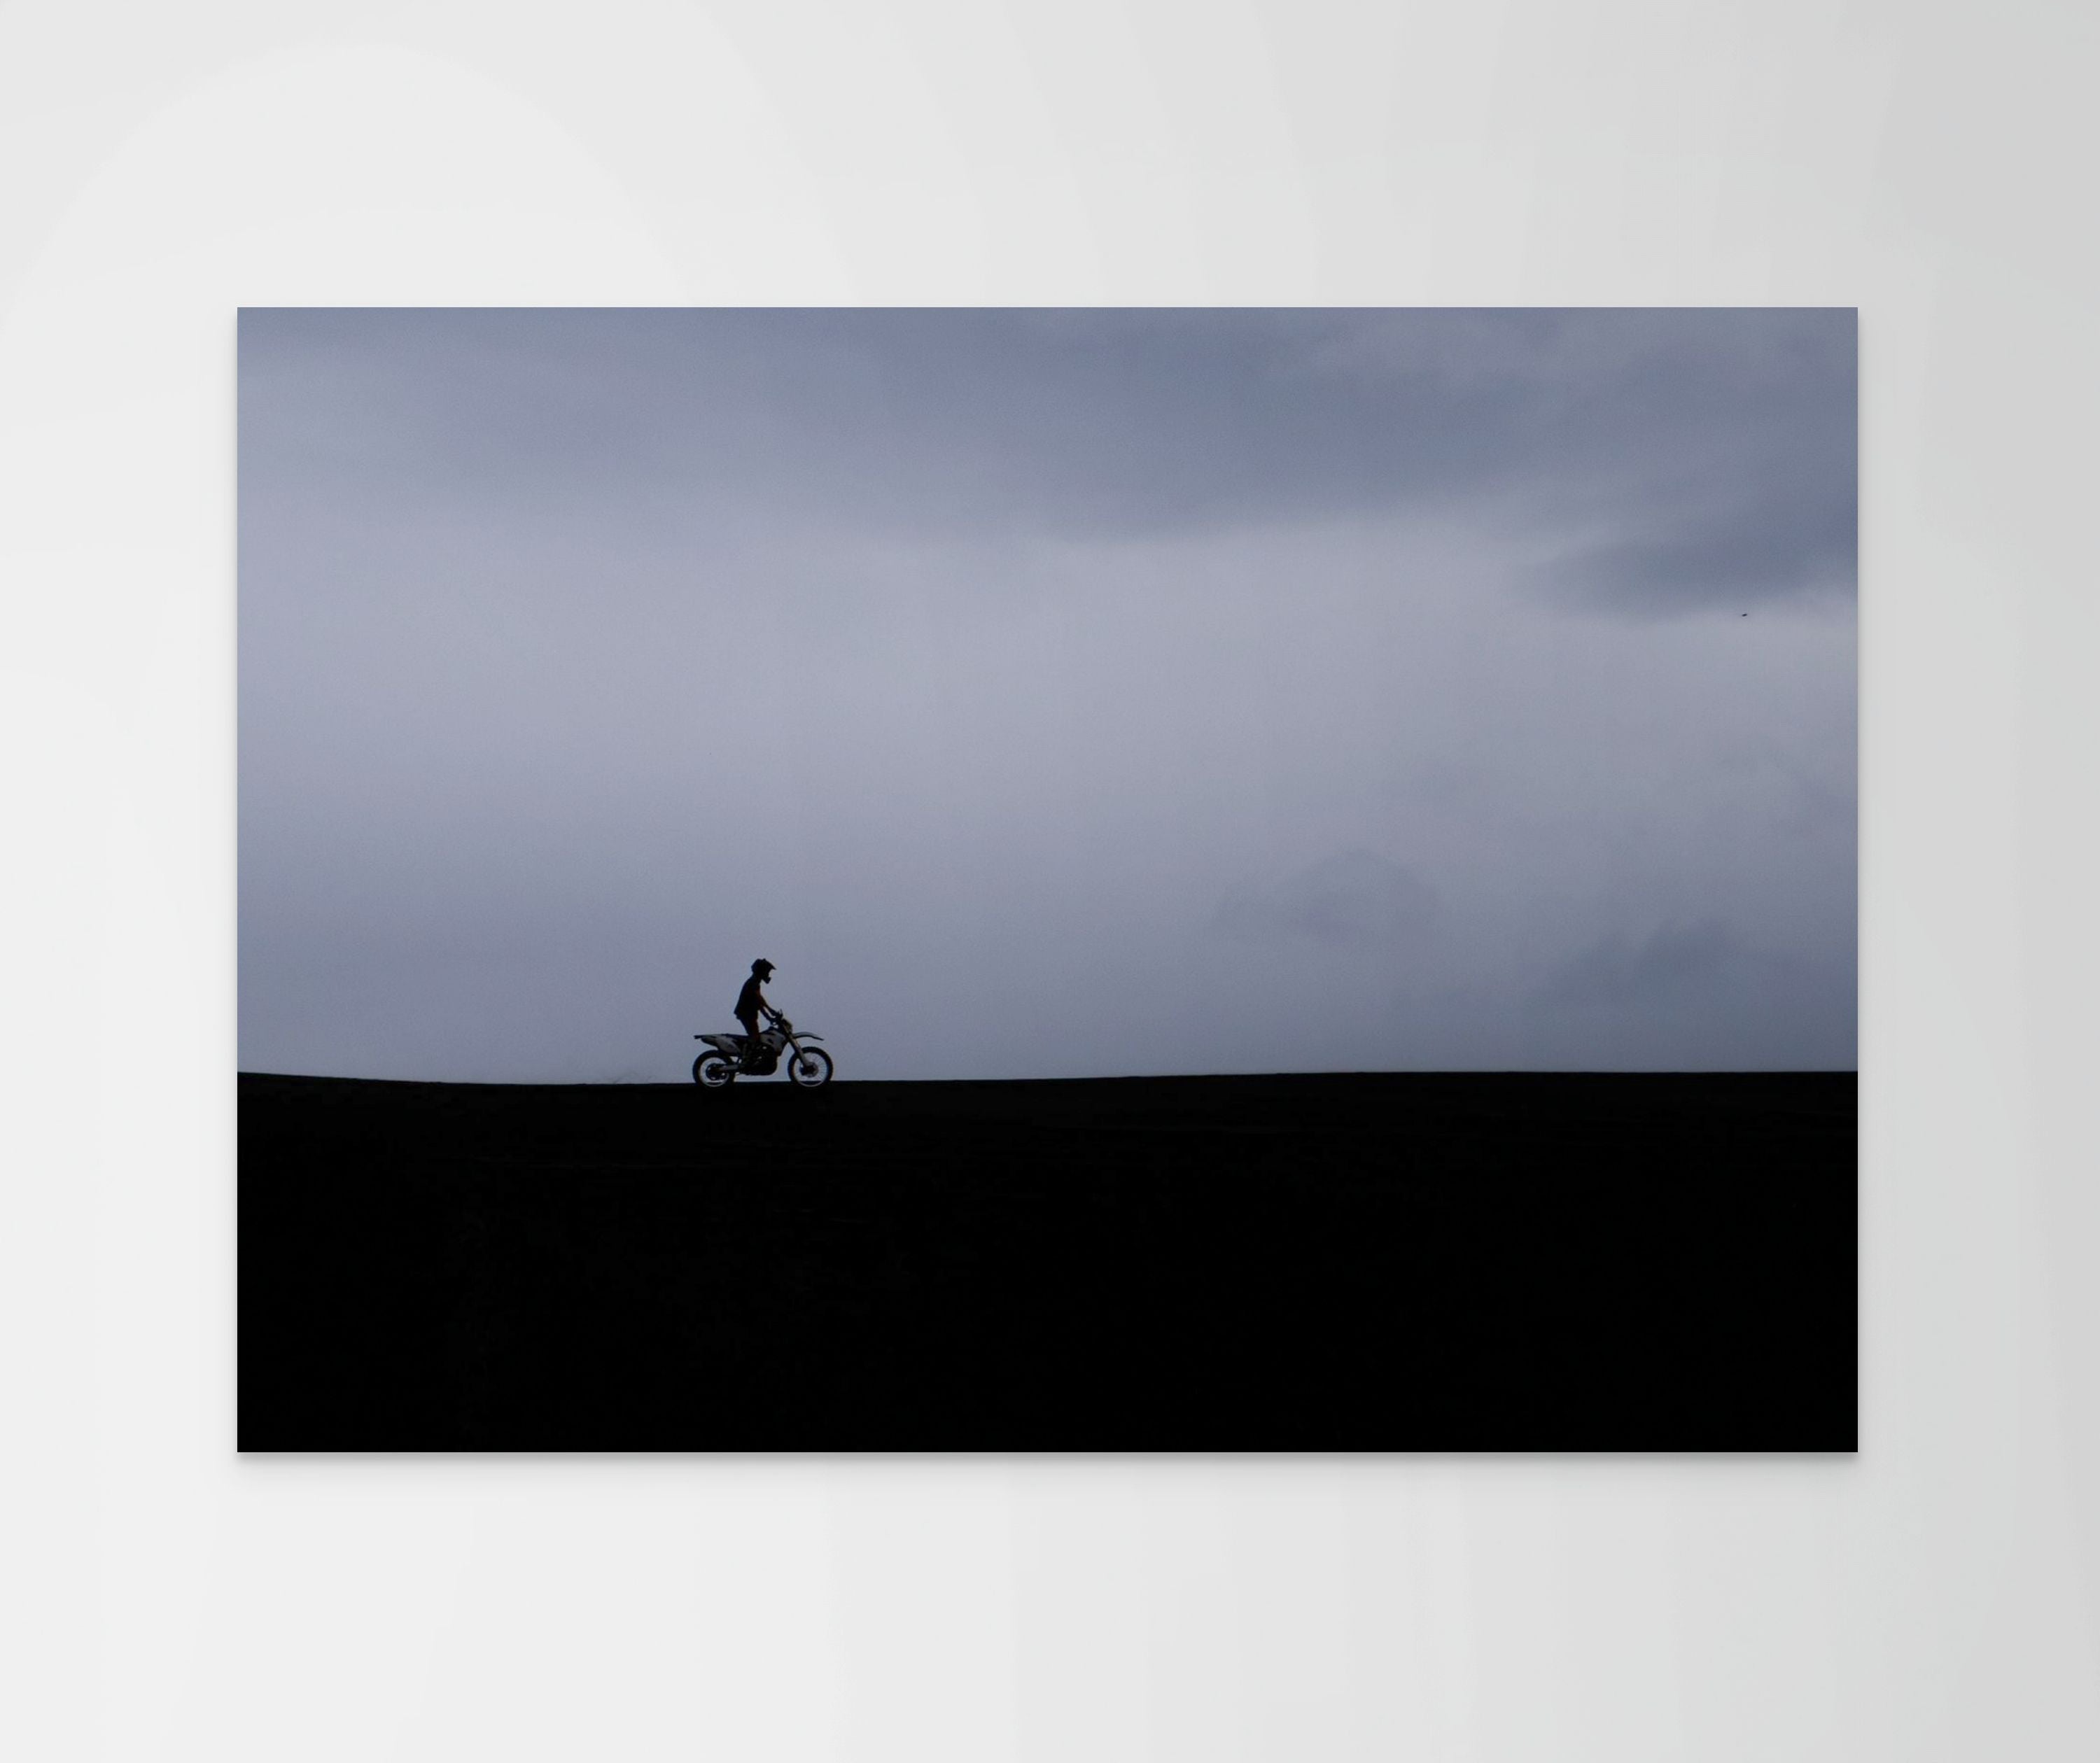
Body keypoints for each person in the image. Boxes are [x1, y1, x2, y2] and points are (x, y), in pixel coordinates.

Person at [733, 959, 776, 1069]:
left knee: (757, 1037)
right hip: (746, 1013)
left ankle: (751, 1057)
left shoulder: (754, 982)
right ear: (761, 971)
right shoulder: (753, 982)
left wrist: (769, 1018)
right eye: (767, 971)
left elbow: (758, 1004)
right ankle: (747, 1061)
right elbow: (759, 999)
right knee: (755, 1036)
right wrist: (771, 1010)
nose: (768, 974)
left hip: (749, 1013)